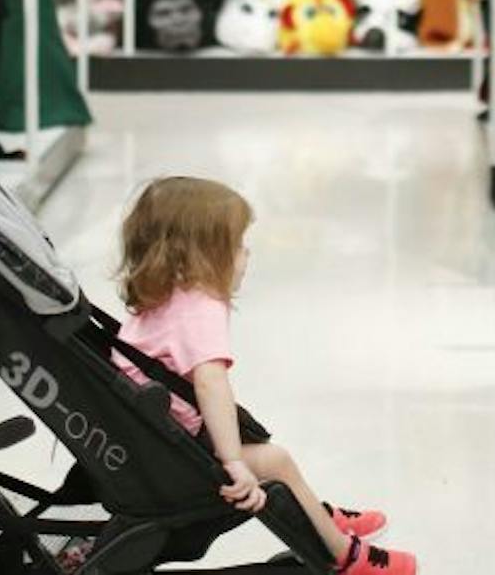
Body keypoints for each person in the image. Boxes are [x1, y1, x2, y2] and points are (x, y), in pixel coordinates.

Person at [114, 177, 419, 575]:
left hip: (151, 443)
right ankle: (345, 555)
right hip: (173, 458)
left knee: (261, 447)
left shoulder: (160, 298)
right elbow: (210, 383)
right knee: (276, 461)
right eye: (237, 245)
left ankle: (318, 516)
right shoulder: (199, 308)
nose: (246, 253)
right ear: (201, 255)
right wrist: (234, 461)